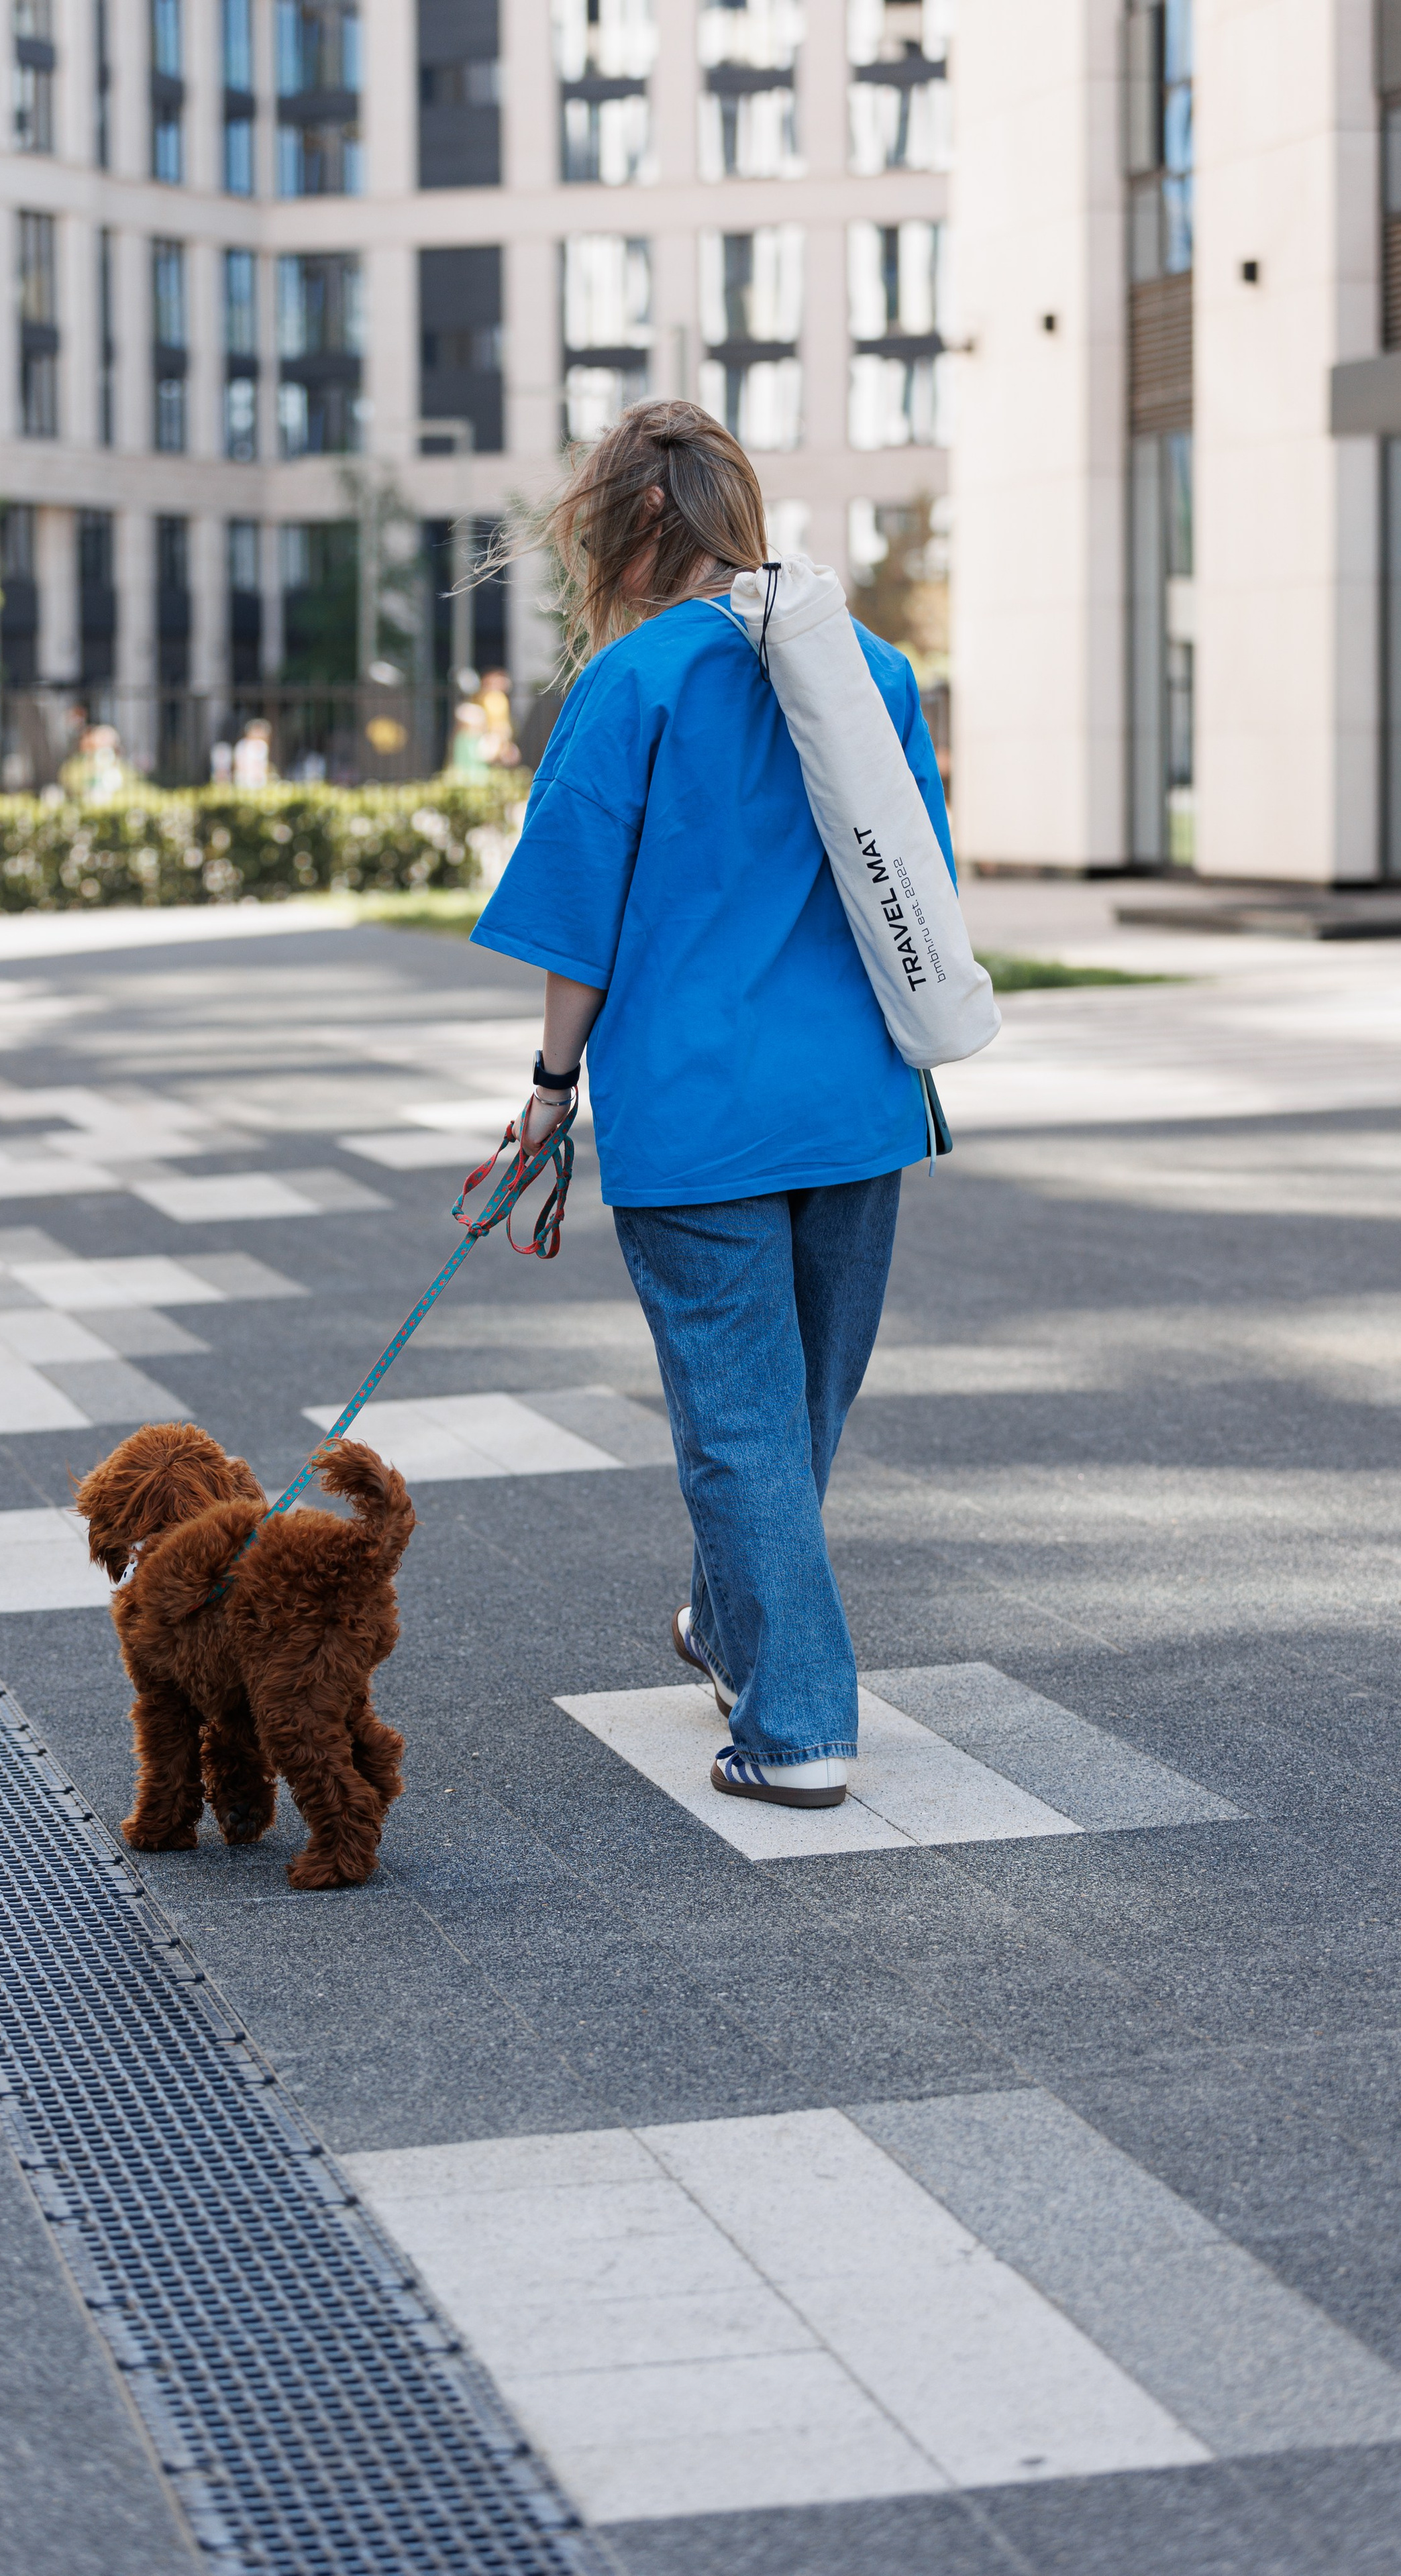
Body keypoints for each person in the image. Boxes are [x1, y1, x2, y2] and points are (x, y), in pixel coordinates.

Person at [469, 399, 955, 1813]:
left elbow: (579, 928)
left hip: (698, 1116)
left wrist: (549, 1092)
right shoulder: (866, 665)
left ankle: (799, 1725)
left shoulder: (629, 687)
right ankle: (729, 1628)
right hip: (858, 1101)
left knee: (738, 1423)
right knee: (792, 1411)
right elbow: (915, 879)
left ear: (619, 537)